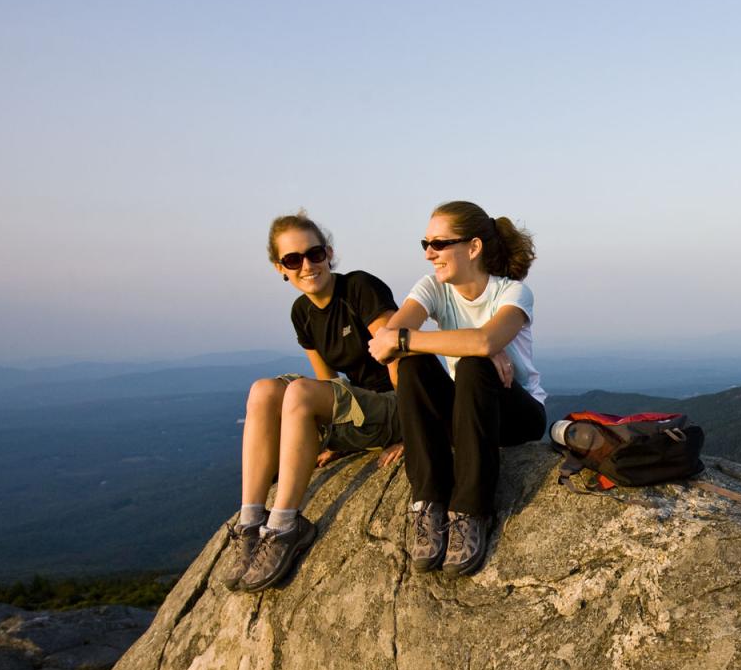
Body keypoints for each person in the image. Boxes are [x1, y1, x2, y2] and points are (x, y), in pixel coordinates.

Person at [222, 212, 403, 593]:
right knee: (263, 391)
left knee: (299, 393)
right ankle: (252, 521)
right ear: (280, 268)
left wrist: (416, 434)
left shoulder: (359, 288)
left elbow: (404, 359)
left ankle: (286, 525)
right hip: (362, 409)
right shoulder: (302, 312)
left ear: (329, 254)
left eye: (314, 253)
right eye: (293, 260)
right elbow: (327, 383)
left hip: (399, 404)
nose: (306, 265)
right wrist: (333, 440)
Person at [368, 201, 547, 577]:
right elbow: (386, 345)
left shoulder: (512, 293)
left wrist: (482, 346)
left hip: (516, 413)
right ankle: (428, 503)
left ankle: (470, 510)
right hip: (466, 411)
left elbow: (483, 342)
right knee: (414, 362)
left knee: (473, 364)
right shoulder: (433, 288)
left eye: (440, 243)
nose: (429, 253)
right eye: (426, 243)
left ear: (473, 247)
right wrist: (469, 343)